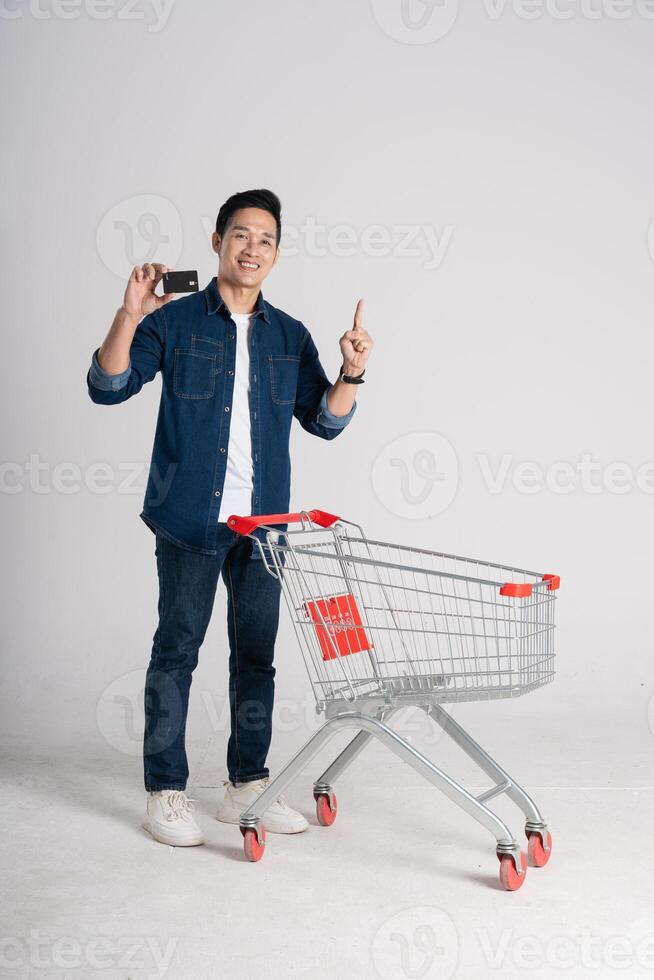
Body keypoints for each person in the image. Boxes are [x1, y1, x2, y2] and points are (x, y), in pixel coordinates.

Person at [86, 188, 374, 846]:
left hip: (263, 528)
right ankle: (164, 790)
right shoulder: (177, 320)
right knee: (177, 653)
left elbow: (324, 421)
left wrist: (352, 372)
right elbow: (107, 386)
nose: (253, 248)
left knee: (256, 660)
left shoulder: (290, 335)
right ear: (217, 242)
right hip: (190, 518)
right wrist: (129, 315)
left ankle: (247, 784)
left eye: (266, 239)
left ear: (276, 253)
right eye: (240, 235)